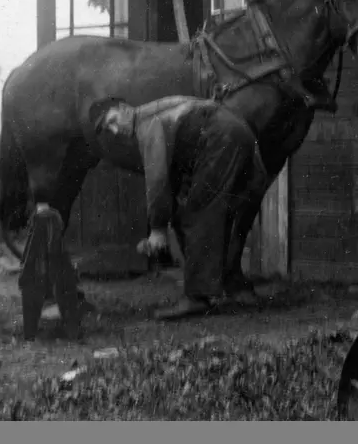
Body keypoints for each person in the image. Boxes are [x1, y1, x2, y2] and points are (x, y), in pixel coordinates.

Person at [90, 95, 269, 320]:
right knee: (209, 213)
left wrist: (157, 229)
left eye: (113, 121)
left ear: (124, 109)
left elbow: (157, 180)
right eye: (109, 129)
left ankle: (197, 297)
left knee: (199, 214)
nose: (115, 131)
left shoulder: (147, 124)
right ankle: (230, 286)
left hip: (222, 136)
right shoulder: (156, 112)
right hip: (237, 132)